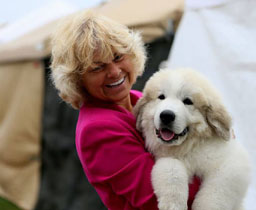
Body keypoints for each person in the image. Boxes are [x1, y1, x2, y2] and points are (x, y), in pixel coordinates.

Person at [50, 10, 200, 210]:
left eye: (118, 57)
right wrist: (214, 171)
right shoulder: (97, 129)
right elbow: (156, 198)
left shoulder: (140, 98)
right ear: (77, 81)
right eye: (97, 68)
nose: (114, 72)